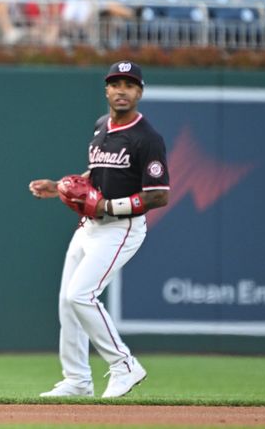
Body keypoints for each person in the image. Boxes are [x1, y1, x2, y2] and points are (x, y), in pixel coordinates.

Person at [29, 61, 170, 398]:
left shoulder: (147, 138)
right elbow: (96, 175)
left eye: (130, 85)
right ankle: (77, 380)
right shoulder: (100, 127)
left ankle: (124, 365)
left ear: (140, 92)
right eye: (115, 84)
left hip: (121, 228)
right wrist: (58, 185)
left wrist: (109, 206)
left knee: (82, 294)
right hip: (89, 227)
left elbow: (158, 195)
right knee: (67, 301)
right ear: (106, 90)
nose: (122, 90)